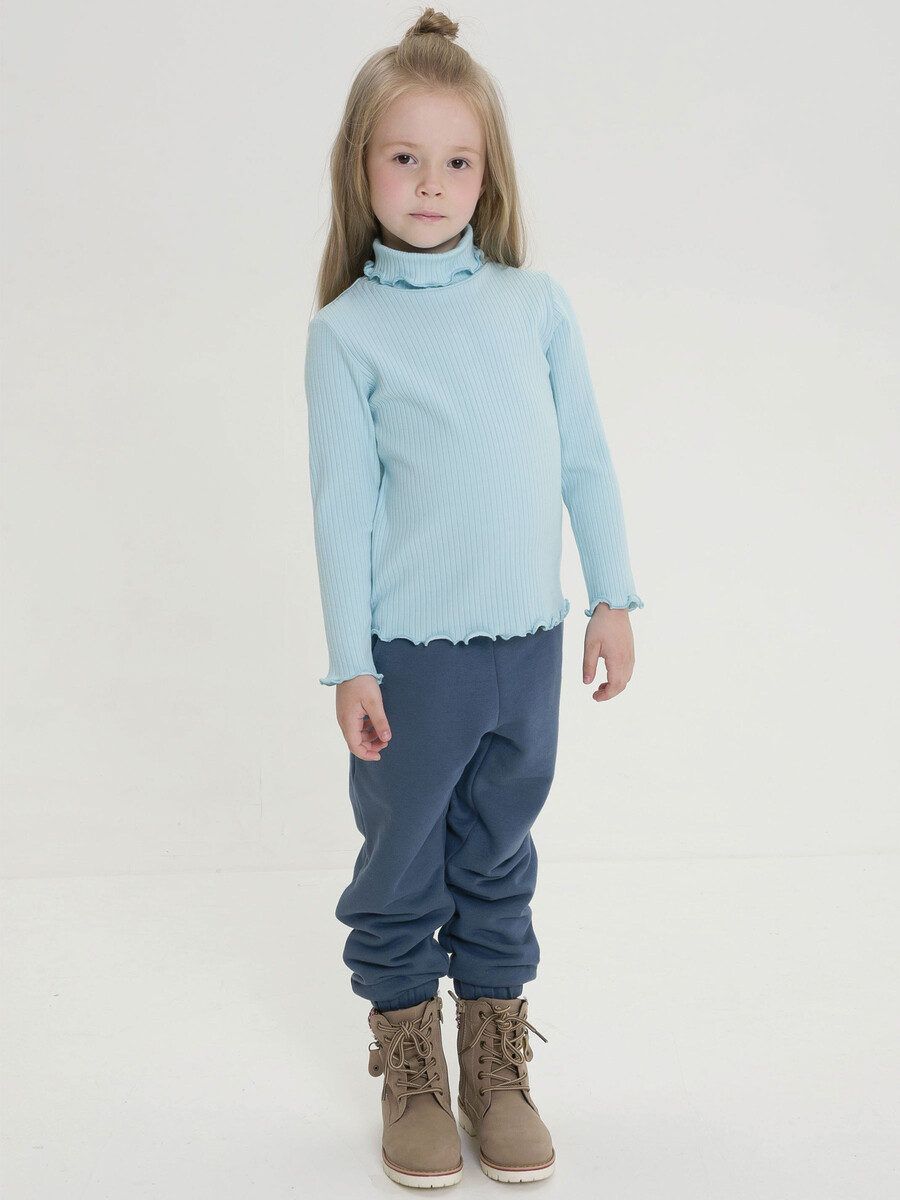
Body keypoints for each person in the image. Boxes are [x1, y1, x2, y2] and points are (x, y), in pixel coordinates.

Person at [304, 7, 643, 1189]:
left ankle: (496, 1062)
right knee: (404, 856)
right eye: (405, 156)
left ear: (488, 173)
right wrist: (352, 662)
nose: (431, 183)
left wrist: (612, 596)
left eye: (457, 161)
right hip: (411, 661)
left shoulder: (533, 304)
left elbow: (584, 457)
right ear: (361, 166)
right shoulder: (347, 334)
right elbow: (340, 512)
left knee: (499, 852)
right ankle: (411, 1063)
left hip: (528, 648)